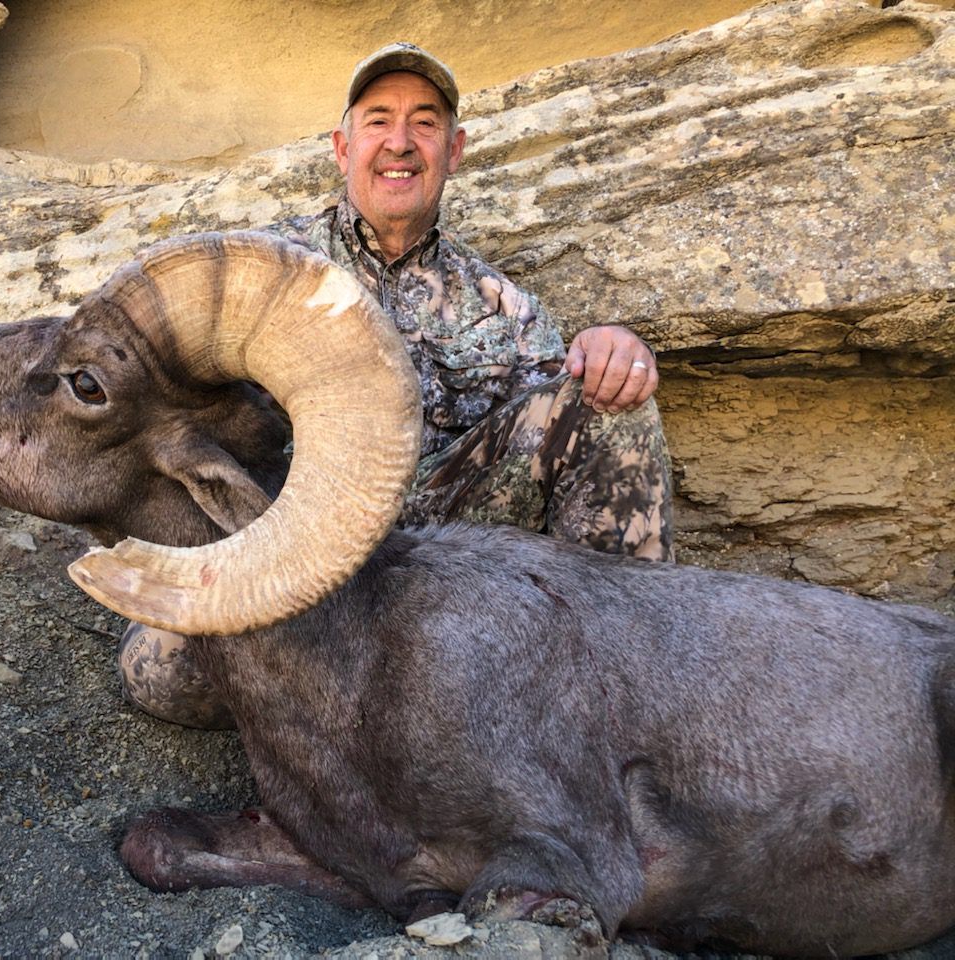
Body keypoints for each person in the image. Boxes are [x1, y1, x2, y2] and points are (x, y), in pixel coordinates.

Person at [119, 43, 673, 729]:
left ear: (455, 148)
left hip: (444, 567)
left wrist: (612, 353)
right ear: (342, 145)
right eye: (379, 120)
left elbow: (561, 420)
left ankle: (618, 694)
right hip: (295, 554)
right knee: (165, 675)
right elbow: (161, 412)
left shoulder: (505, 305)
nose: (401, 143)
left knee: (610, 406)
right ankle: (380, 703)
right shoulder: (259, 270)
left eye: (426, 121)